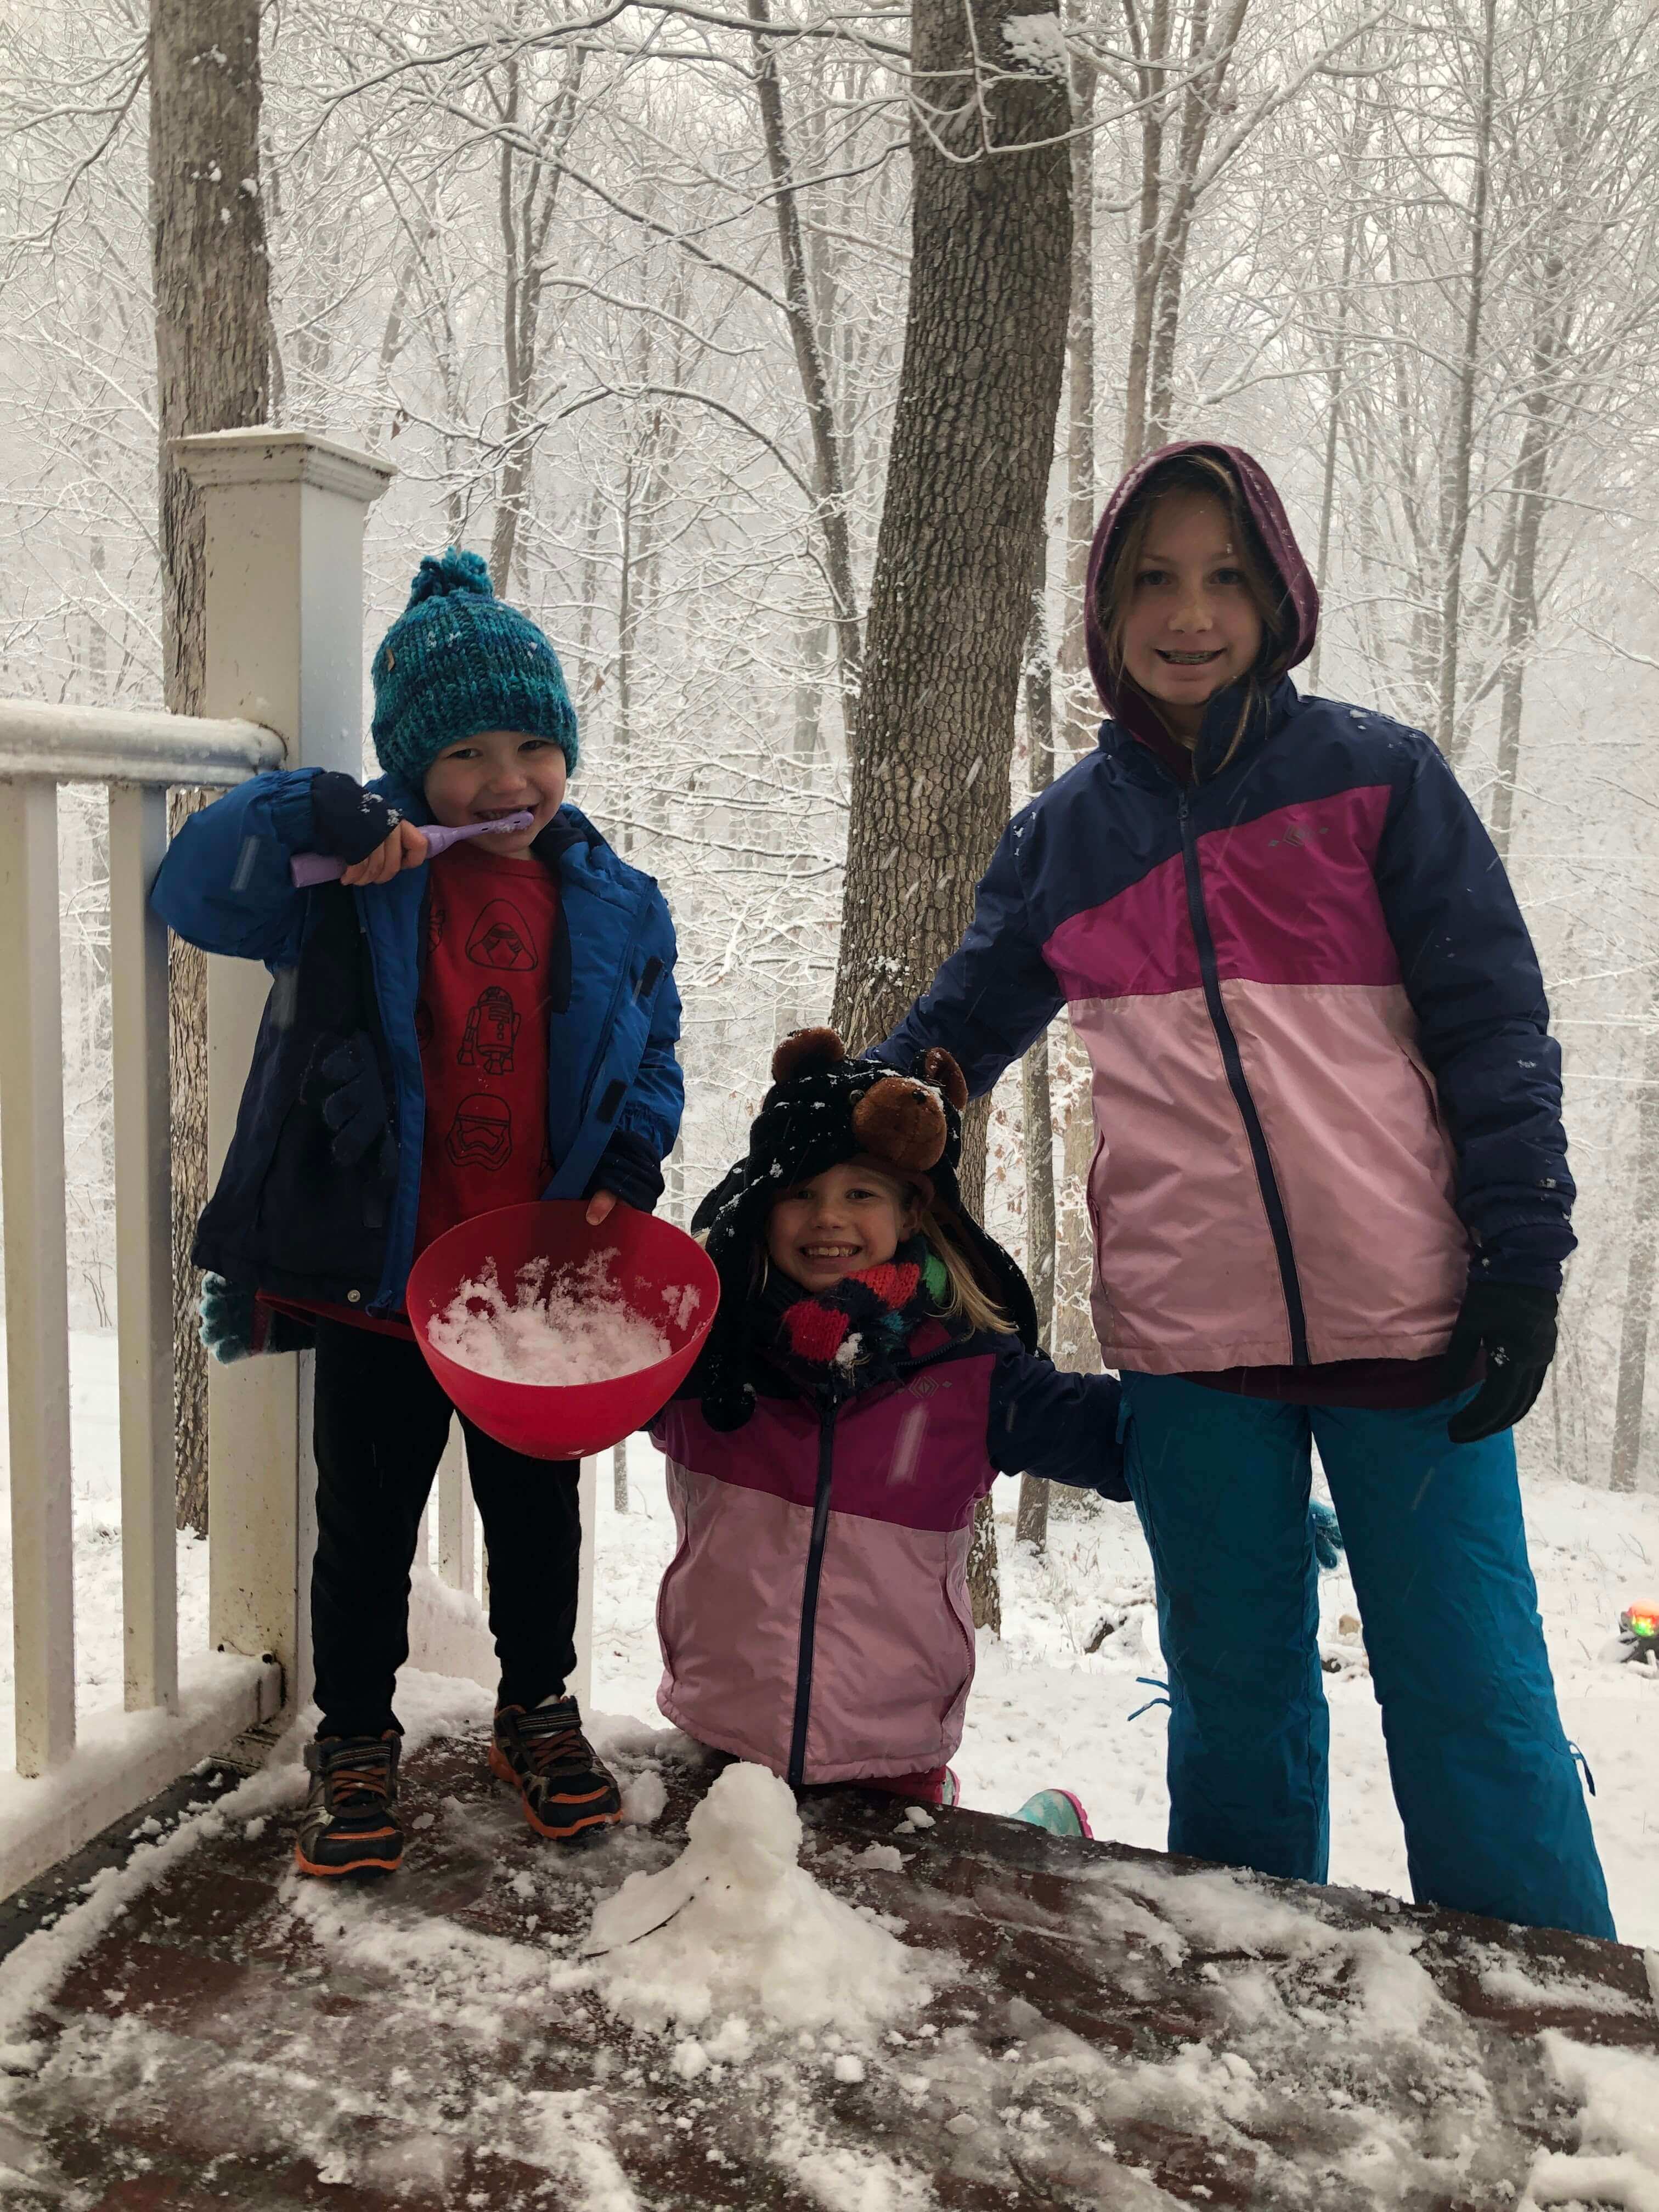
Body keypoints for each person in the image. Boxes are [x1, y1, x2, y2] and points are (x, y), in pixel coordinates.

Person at [876, 441, 1614, 1939]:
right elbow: (953, 1043)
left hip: (1412, 1325)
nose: (1190, 612)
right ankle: (1248, 1981)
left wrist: (1522, 1258)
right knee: (1235, 1696)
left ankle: (1552, 2016)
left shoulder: (1378, 780)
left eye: (1226, 576)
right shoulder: (1066, 839)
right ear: (1106, 612)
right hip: (1193, 1344)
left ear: (1279, 597)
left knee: (1473, 1692)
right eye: (1153, 579)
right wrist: (849, 1120)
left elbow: (1492, 1027)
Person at [152, 549, 683, 1878]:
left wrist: (634, 1149)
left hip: (528, 1282)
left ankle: (536, 1708)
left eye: (531, 745)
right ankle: (355, 1734)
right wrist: (306, 808)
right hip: (381, 1277)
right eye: (462, 755)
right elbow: (195, 887)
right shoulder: (358, 880)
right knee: (368, 1521)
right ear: (407, 767)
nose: (505, 781)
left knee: (535, 1512)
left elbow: (652, 1041)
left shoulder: (613, 901)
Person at [649, 1026, 1126, 1832]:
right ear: (762, 1207)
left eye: (860, 1193)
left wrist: (1237, 1444)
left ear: (911, 1211)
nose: (826, 1217)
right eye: (800, 1191)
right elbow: (571, 1387)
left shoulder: (972, 1371)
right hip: (716, 1737)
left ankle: (1043, 1828)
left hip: (894, 1756)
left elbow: (1116, 1440)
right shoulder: (707, 1355)